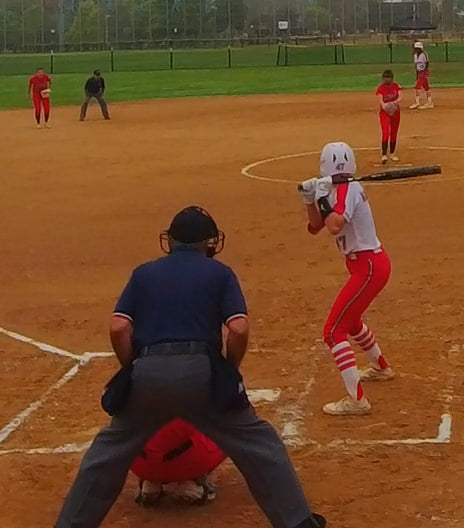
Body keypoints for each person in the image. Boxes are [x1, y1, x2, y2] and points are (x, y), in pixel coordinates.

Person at [52, 207, 324, 528]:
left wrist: (134, 369)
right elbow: (238, 329)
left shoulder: (143, 273)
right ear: (209, 243)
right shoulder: (220, 273)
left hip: (147, 372)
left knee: (106, 453)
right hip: (201, 372)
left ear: (171, 241)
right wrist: (227, 370)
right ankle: (298, 522)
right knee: (258, 443)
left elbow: (118, 327)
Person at [299, 142, 394, 417]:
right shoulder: (336, 189)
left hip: (369, 267)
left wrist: (321, 198)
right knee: (350, 322)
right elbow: (315, 226)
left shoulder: (347, 190)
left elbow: (334, 225)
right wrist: (310, 199)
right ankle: (380, 367)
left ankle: (357, 400)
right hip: (366, 266)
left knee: (333, 331)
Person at [129, 419, 223, 507]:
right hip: (188, 463)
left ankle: (151, 483)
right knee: (224, 427)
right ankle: (193, 483)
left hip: (141, 464)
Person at [374, 70, 402, 164]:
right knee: (385, 132)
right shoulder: (381, 88)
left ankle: (392, 153)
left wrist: (394, 103)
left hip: (395, 112)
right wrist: (386, 107)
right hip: (384, 113)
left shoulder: (396, 86)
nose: (387, 80)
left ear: (392, 79)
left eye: (388, 78)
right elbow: (381, 101)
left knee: (394, 132)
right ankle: (384, 154)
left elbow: (400, 97)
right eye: (385, 79)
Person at [410, 42, 433, 109]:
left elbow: (427, 62)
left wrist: (425, 71)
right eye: (415, 48)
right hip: (419, 71)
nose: (416, 50)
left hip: (423, 71)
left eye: (417, 48)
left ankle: (417, 103)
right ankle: (430, 103)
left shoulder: (423, 55)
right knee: (426, 87)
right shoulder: (415, 55)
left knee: (418, 86)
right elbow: (416, 65)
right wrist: (417, 74)